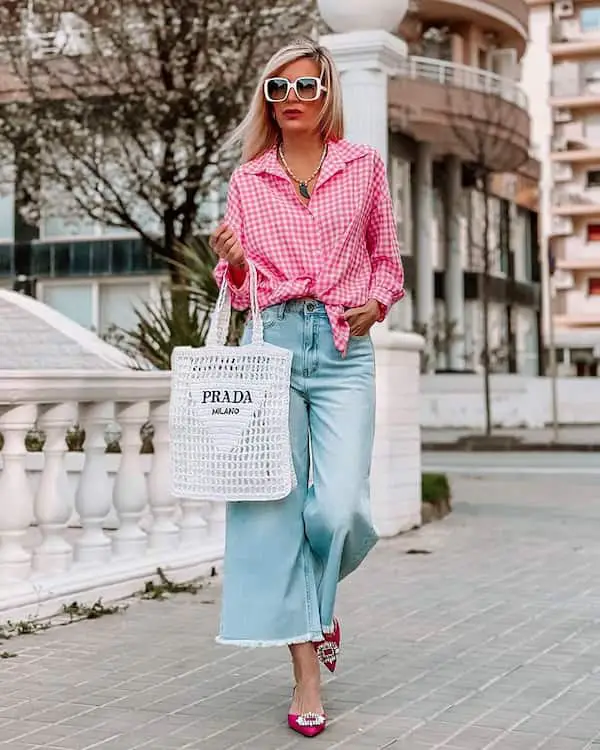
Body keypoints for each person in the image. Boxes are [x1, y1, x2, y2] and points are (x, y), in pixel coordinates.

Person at [210, 38, 404, 738]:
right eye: (278, 90)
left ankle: (320, 608)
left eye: (305, 88)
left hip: (346, 349)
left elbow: (388, 259)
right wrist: (231, 263)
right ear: (268, 101)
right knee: (281, 511)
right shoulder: (248, 179)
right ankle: (306, 672)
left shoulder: (364, 169)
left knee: (340, 512)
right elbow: (238, 296)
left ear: (327, 96)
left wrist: (377, 303)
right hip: (276, 352)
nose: (291, 100)